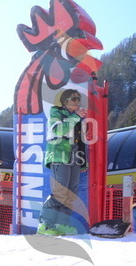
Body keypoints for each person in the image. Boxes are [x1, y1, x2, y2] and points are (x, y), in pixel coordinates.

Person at [38, 89, 87, 236]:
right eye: (74, 99)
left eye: (79, 99)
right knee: (60, 192)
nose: (77, 102)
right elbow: (58, 130)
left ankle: (61, 224)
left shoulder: (77, 118)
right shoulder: (56, 112)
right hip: (59, 155)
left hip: (75, 157)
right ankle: (45, 224)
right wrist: (76, 117)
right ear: (65, 102)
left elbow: (80, 141)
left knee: (71, 194)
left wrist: (83, 162)